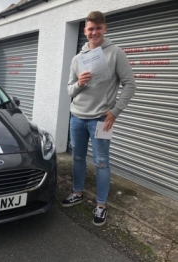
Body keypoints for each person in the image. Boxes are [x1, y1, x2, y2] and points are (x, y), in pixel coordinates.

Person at [62, 11, 136, 226]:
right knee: (77, 158)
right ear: (85, 31)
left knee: (102, 162)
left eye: (98, 28)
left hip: (102, 119)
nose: (94, 32)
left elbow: (130, 85)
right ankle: (77, 193)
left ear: (105, 29)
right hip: (77, 117)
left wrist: (115, 111)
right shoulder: (77, 59)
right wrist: (80, 83)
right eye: (90, 29)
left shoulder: (116, 53)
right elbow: (69, 90)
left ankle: (101, 205)